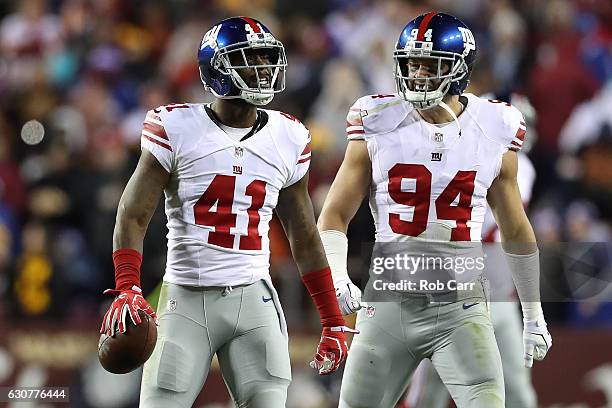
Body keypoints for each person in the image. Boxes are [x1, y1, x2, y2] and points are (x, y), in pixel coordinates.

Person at [99, 16, 354, 408]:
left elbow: (303, 235)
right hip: (185, 297)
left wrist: (332, 317)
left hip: (254, 299)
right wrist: (128, 285)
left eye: (268, 59)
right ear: (217, 70)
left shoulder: (288, 136)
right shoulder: (176, 126)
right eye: (250, 60)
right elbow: (133, 214)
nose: (264, 70)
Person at [317, 12, 552, 407]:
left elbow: (516, 230)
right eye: (412, 63)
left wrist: (533, 312)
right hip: (390, 299)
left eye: (432, 65)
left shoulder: (494, 126)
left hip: (463, 305)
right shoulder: (377, 120)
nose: (419, 74)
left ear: (460, 69)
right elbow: (334, 215)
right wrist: (337, 278)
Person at [402, 93, 540, 408]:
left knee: (516, 391)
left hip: (496, 294)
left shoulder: (518, 167)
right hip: (453, 290)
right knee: (429, 391)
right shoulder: (449, 153)